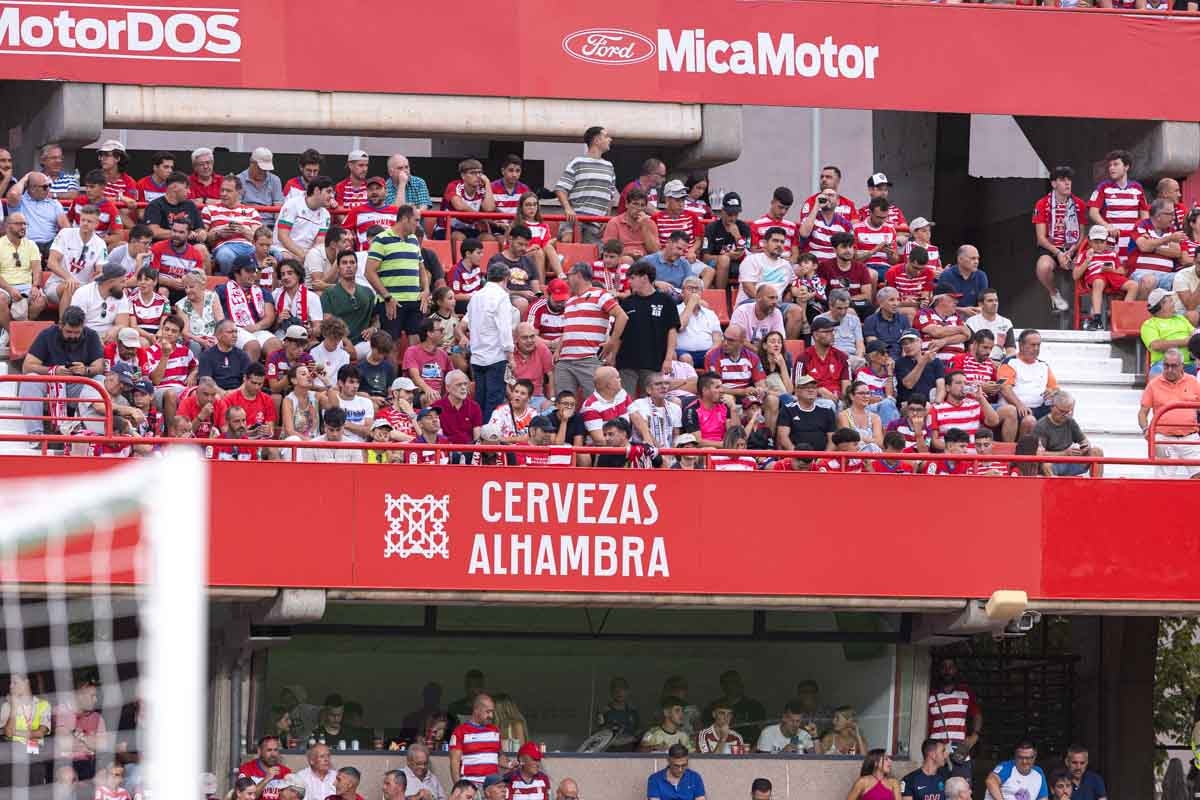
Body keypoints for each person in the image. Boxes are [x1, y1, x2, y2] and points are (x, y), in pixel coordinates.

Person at [18, 305, 105, 439]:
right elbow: (27, 366)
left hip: (78, 384)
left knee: (99, 380)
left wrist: (86, 370)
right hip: (50, 384)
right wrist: (53, 371)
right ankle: (35, 436)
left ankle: (94, 433)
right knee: (29, 380)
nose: (73, 336)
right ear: (60, 325)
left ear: (83, 327)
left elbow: (99, 367)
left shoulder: (92, 335)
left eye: (77, 332)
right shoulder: (47, 335)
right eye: (69, 332)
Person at [556, 262, 627, 398]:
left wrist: (612, 343)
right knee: (563, 402)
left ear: (578, 275)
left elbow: (622, 316)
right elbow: (568, 328)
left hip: (589, 358)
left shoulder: (600, 294)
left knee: (596, 400)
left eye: (569, 275)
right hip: (565, 360)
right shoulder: (569, 301)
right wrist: (558, 350)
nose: (567, 279)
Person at [366, 205, 429, 344]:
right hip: (392, 301)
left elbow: (421, 268)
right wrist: (387, 297)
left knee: (416, 343)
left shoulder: (414, 239)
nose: (418, 224)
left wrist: (426, 290)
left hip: (414, 300)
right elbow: (369, 272)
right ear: (405, 219)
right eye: (416, 220)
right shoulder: (381, 239)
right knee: (391, 345)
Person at [617, 260, 681, 395]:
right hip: (626, 363)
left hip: (653, 362)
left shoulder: (666, 301)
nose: (629, 282)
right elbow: (619, 333)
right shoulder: (627, 302)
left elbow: (672, 331)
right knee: (626, 401)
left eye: (632, 278)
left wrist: (668, 359)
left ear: (645, 278)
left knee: (649, 401)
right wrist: (612, 356)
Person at [1033, 165, 1088, 313]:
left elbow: (1082, 235)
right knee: (1043, 267)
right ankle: (1054, 293)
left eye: (1069, 180)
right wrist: (1058, 253)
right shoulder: (1042, 204)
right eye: (1063, 180)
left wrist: (1071, 251)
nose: (1067, 183)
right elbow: (1041, 238)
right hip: (1051, 249)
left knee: (1088, 265)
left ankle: (1086, 307)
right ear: (1053, 183)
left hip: (1072, 248)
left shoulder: (1079, 204)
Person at [1139, 348, 1200, 478]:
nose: (1169, 369)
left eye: (1174, 366)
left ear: (1182, 366)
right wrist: (1146, 430)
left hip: (1190, 437)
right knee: (1164, 479)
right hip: (1163, 438)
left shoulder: (1193, 382)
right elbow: (1142, 413)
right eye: (1166, 365)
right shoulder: (1153, 384)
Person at [467, 262, 517, 421]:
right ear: (506, 278)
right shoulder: (501, 297)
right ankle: (489, 433)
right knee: (494, 402)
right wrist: (510, 356)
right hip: (495, 357)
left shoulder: (475, 296)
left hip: (477, 356)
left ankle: (479, 432)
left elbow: (470, 325)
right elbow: (505, 329)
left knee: (480, 400)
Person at [555, 126, 616, 244]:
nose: (610, 139)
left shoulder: (609, 166)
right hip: (574, 220)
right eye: (606, 136)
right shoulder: (577, 162)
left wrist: (606, 219)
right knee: (567, 248)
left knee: (594, 252)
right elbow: (561, 188)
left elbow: (610, 196)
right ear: (596, 140)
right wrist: (568, 209)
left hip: (596, 223)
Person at [44, 204, 108, 310]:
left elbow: (100, 271)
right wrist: (68, 278)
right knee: (69, 287)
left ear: (97, 224)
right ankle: (64, 320)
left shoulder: (101, 244)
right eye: (83, 220)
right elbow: (51, 262)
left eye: (89, 221)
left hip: (84, 287)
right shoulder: (65, 234)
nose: (85, 223)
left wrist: (93, 281)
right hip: (57, 284)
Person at [927, 657, 982, 779]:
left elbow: (977, 715)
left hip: (960, 750)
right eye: (944, 667)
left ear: (956, 670)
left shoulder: (966, 692)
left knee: (961, 787)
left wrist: (975, 735)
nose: (947, 670)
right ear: (939, 670)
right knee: (938, 787)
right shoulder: (930, 694)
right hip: (937, 752)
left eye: (950, 667)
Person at [997, 329, 1058, 434]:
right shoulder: (1009, 363)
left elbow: (1055, 388)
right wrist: (1019, 405)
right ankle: (1022, 445)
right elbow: (1004, 388)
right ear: (1021, 345)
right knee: (1030, 420)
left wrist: (1052, 391)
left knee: (1067, 403)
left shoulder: (1043, 365)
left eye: (1038, 345)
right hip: (1017, 408)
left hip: (1040, 408)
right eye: (1033, 345)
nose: (1036, 348)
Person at [1088, 149, 1148, 254]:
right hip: (1111, 242)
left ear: (1126, 167)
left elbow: (1145, 215)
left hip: (1132, 242)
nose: (1111, 168)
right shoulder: (1103, 187)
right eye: (1110, 165)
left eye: (1116, 164)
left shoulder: (1138, 188)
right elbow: (1093, 212)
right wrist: (1107, 226)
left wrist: (1144, 232)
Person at [203, 175, 263, 274]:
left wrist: (243, 231)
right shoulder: (209, 209)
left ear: (239, 192)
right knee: (225, 256)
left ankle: (257, 280)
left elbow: (259, 238)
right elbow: (204, 237)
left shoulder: (251, 211)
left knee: (273, 253)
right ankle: (230, 281)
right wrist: (218, 233)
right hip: (224, 246)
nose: (223, 194)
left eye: (228, 191)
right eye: (222, 190)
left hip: (248, 246)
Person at [0, 212, 46, 339]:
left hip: (26, 285)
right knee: (0, 300)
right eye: (19, 224)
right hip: (5, 286)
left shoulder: (31, 245)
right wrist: (10, 289)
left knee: (40, 301)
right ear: (8, 226)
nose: (23, 227)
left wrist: (35, 286)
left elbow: (37, 269)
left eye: (25, 224)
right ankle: (12, 334)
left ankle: (21, 330)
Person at [1033, 391, 1102, 477]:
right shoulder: (1041, 426)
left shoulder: (1070, 421)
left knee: (1097, 451)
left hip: (1069, 461)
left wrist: (1085, 446)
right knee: (1046, 466)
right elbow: (1039, 454)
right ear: (1052, 407)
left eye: (1069, 411)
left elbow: (1084, 441)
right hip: (1053, 463)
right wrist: (1065, 453)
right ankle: (1055, 485)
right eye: (1062, 411)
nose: (1066, 415)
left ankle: (1097, 484)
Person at [1126, 198, 1186, 295]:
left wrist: (1153, 248)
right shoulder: (1142, 225)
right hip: (1141, 274)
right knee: (1149, 280)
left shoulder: (1171, 230)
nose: (1173, 217)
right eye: (1170, 214)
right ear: (1158, 216)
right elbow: (1144, 246)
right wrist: (1168, 239)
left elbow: (1176, 252)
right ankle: (1141, 306)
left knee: (1185, 280)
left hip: (1166, 276)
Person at [0, 672, 52, 783]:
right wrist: (14, 707)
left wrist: (14, 732)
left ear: (26, 683)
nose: (10, 686)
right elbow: (7, 733)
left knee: (36, 788)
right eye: (10, 683)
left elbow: (40, 733)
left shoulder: (44, 705)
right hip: (11, 755)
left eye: (14, 682)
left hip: (35, 754)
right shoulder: (7, 705)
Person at [275, 176, 333, 263]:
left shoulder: (326, 215)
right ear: (317, 190)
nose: (331, 196)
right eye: (328, 192)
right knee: (287, 257)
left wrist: (310, 258)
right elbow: (282, 236)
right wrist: (302, 255)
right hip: (283, 249)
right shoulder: (292, 204)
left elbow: (319, 244)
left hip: (307, 255)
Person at [449, 694, 503, 787]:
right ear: (476, 710)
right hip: (471, 786)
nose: (491, 716)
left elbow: (499, 757)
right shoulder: (460, 731)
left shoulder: (495, 730)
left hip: (492, 786)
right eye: (488, 712)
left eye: (492, 712)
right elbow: (455, 762)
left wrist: (510, 764)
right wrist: (459, 787)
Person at [1143, 288, 1197, 375]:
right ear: (1161, 306)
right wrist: (1184, 342)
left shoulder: (1180, 318)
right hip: (1164, 364)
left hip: (1188, 364)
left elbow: (1195, 335)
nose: (1174, 303)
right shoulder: (1149, 324)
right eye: (1171, 301)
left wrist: (1194, 339)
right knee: (1158, 371)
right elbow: (1156, 345)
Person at [705, 192, 751, 290]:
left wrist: (738, 237)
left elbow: (748, 253)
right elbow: (705, 257)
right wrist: (726, 256)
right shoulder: (712, 227)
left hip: (738, 263)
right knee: (724, 260)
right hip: (716, 262)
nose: (733, 218)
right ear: (722, 211)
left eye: (736, 214)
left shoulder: (744, 227)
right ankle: (720, 295)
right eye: (730, 214)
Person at [799, 186, 855, 266]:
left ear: (837, 201)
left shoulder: (845, 224)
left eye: (831, 195)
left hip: (834, 267)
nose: (827, 198)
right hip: (813, 265)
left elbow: (850, 250)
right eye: (824, 195)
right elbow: (804, 234)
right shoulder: (811, 218)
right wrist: (816, 205)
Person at [853, 197, 899, 286]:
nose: (881, 221)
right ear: (870, 213)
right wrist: (875, 250)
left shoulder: (890, 229)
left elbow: (894, 261)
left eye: (884, 217)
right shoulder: (856, 229)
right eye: (878, 217)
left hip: (886, 268)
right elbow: (854, 259)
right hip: (864, 266)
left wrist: (890, 254)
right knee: (872, 275)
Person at [602, 188, 659, 261]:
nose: (639, 208)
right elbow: (609, 250)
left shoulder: (650, 223)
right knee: (627, 260)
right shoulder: (614, 222)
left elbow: (655, 251)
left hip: (645, 260)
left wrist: (645, 226)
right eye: (635, 204)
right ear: (627, 204)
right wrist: (629, 253)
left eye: (642, 205)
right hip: (622, 259)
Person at [934, 246, 987, 316]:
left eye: (978, 258)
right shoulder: (947, 275)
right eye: (973, 258)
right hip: (951, 315)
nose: (976, 262)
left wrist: (979, 309)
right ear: (960, 259)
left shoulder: (981, 275)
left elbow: (984, 301)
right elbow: (939, 305)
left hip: (974, 315)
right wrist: (962, 310)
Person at [237, 735, 293, 800]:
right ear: (259, 751)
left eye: (275, 750)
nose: (273, 754)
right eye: (269, 750)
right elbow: (244, 797)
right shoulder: (246, 769)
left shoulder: (286, 772)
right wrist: (267, 778)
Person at [965, 289, 1015, 361]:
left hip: (1000, 362)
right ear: (981, 304)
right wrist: (990, 364)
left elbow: (1011, 351)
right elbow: (972, 350)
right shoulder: (971, 322)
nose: (995, 303)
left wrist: (1004, 364)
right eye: (990, 301)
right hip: (978, 361)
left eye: (996, 300)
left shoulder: (1006, 323)